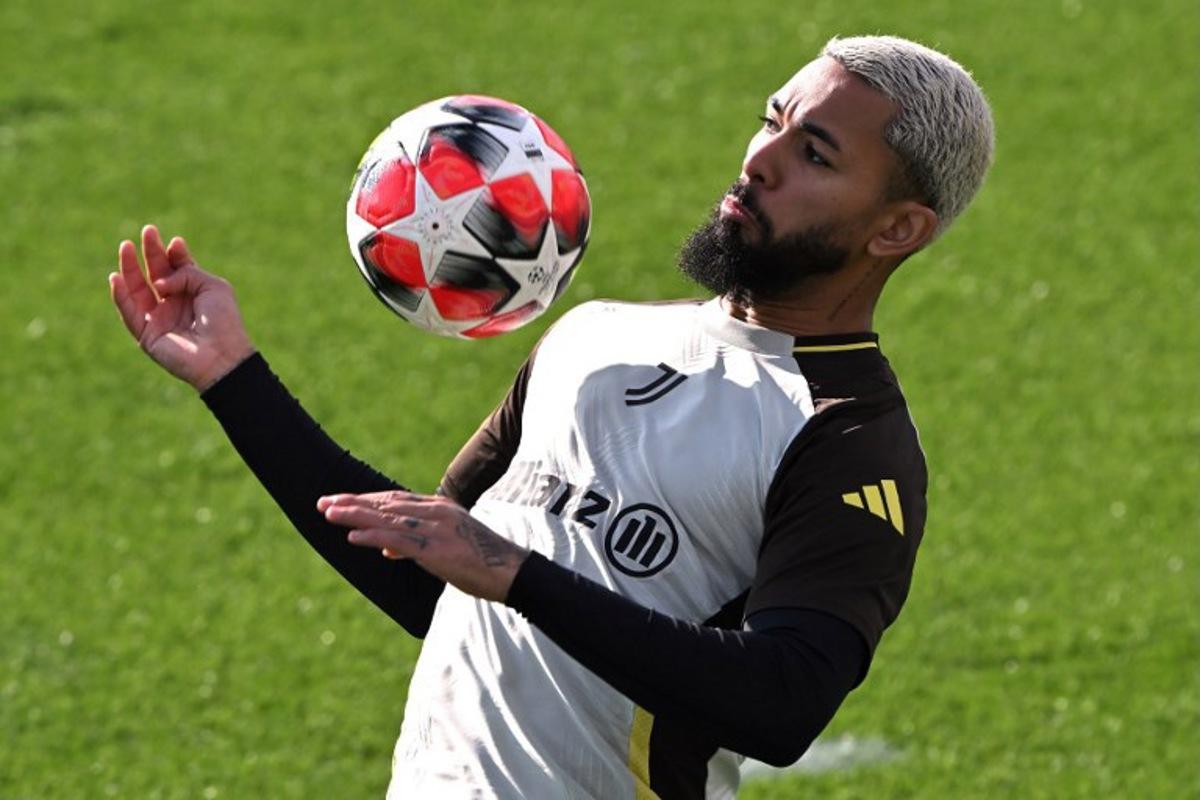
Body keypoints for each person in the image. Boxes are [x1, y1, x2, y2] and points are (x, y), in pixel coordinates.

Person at [109, 35, 993, 800]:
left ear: (897, 231)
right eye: (772, 120)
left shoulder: (845, 440)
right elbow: (429, 571)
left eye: (816, 154)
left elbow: (783, 701)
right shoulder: (597, 340)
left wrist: (517, 571)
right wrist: (233, 377)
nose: (760, 159)